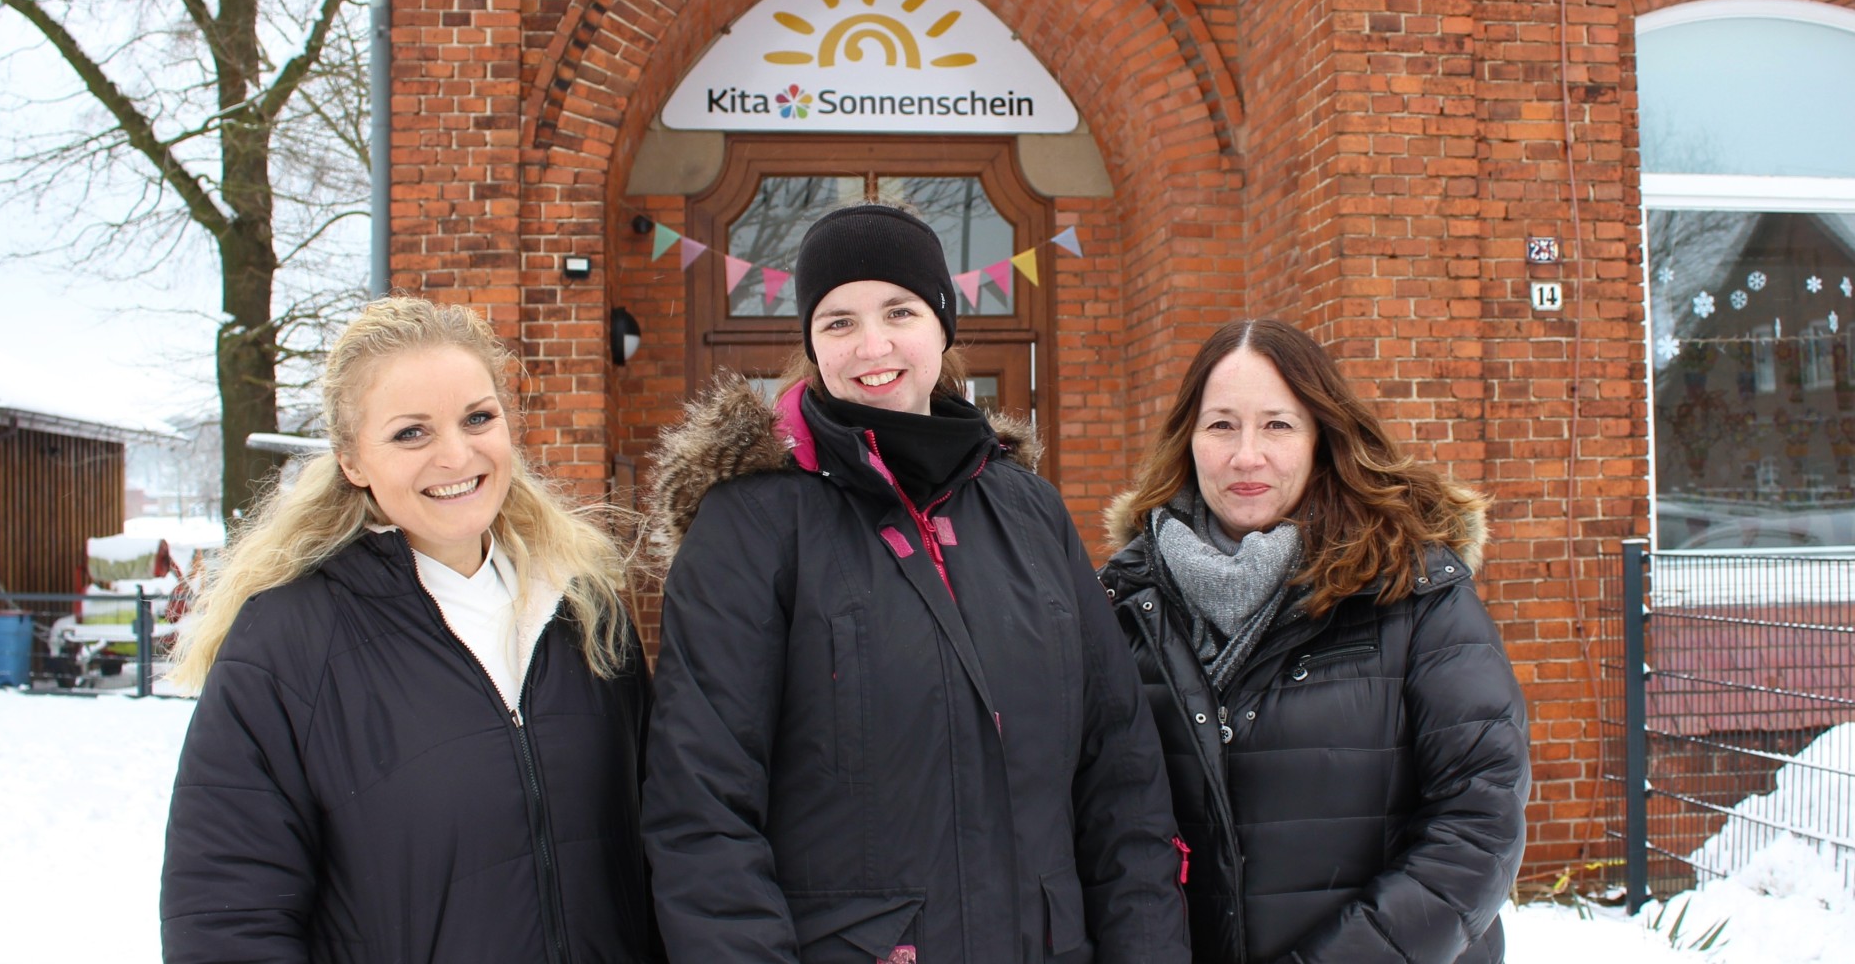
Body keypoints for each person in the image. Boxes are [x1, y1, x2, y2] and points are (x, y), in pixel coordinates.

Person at [640, 202, 1190, 964]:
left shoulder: (1029, 511)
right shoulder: (752, 525)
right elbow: (701, 809)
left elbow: (1120, 775)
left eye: (899, 310)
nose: (873, 345)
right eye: (837, 322)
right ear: (810, 341)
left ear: (942, 325)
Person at [160, 297, 658, 963]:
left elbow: (666, 844)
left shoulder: (585, 609)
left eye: (478, 418)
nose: (457, 454)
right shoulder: (287, 643)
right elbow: (226, 918)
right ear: (352, 461)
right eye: (411, 434)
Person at [1099, 318, 1529, 964]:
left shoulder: (1413, 591)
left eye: (1278, 424)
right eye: (1221, 425)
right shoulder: (1125, 603)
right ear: (1188, 439)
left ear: (1322, 437)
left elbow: (1478, 827)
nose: (1247, 455)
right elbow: (1100, 830)